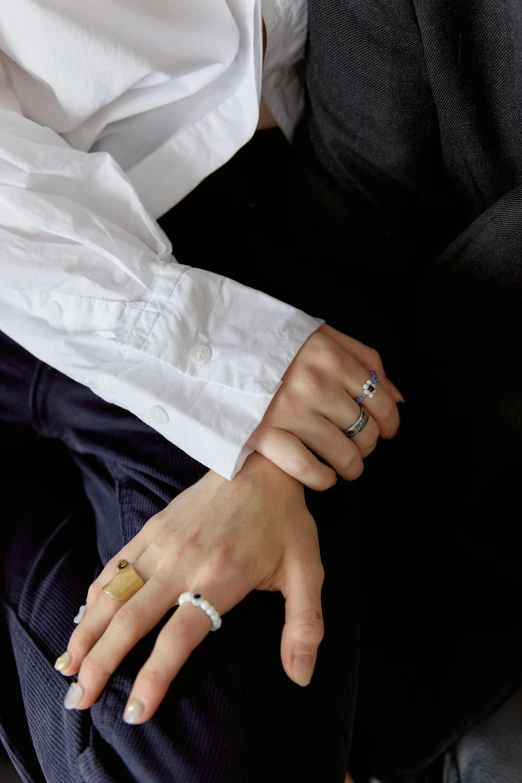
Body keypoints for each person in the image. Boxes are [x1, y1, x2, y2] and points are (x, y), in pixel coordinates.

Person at [1, 2, 521, 783]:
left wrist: (272, 447)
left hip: (249, 236)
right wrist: (243, 382)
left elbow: (368, 186)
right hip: (62, 256)